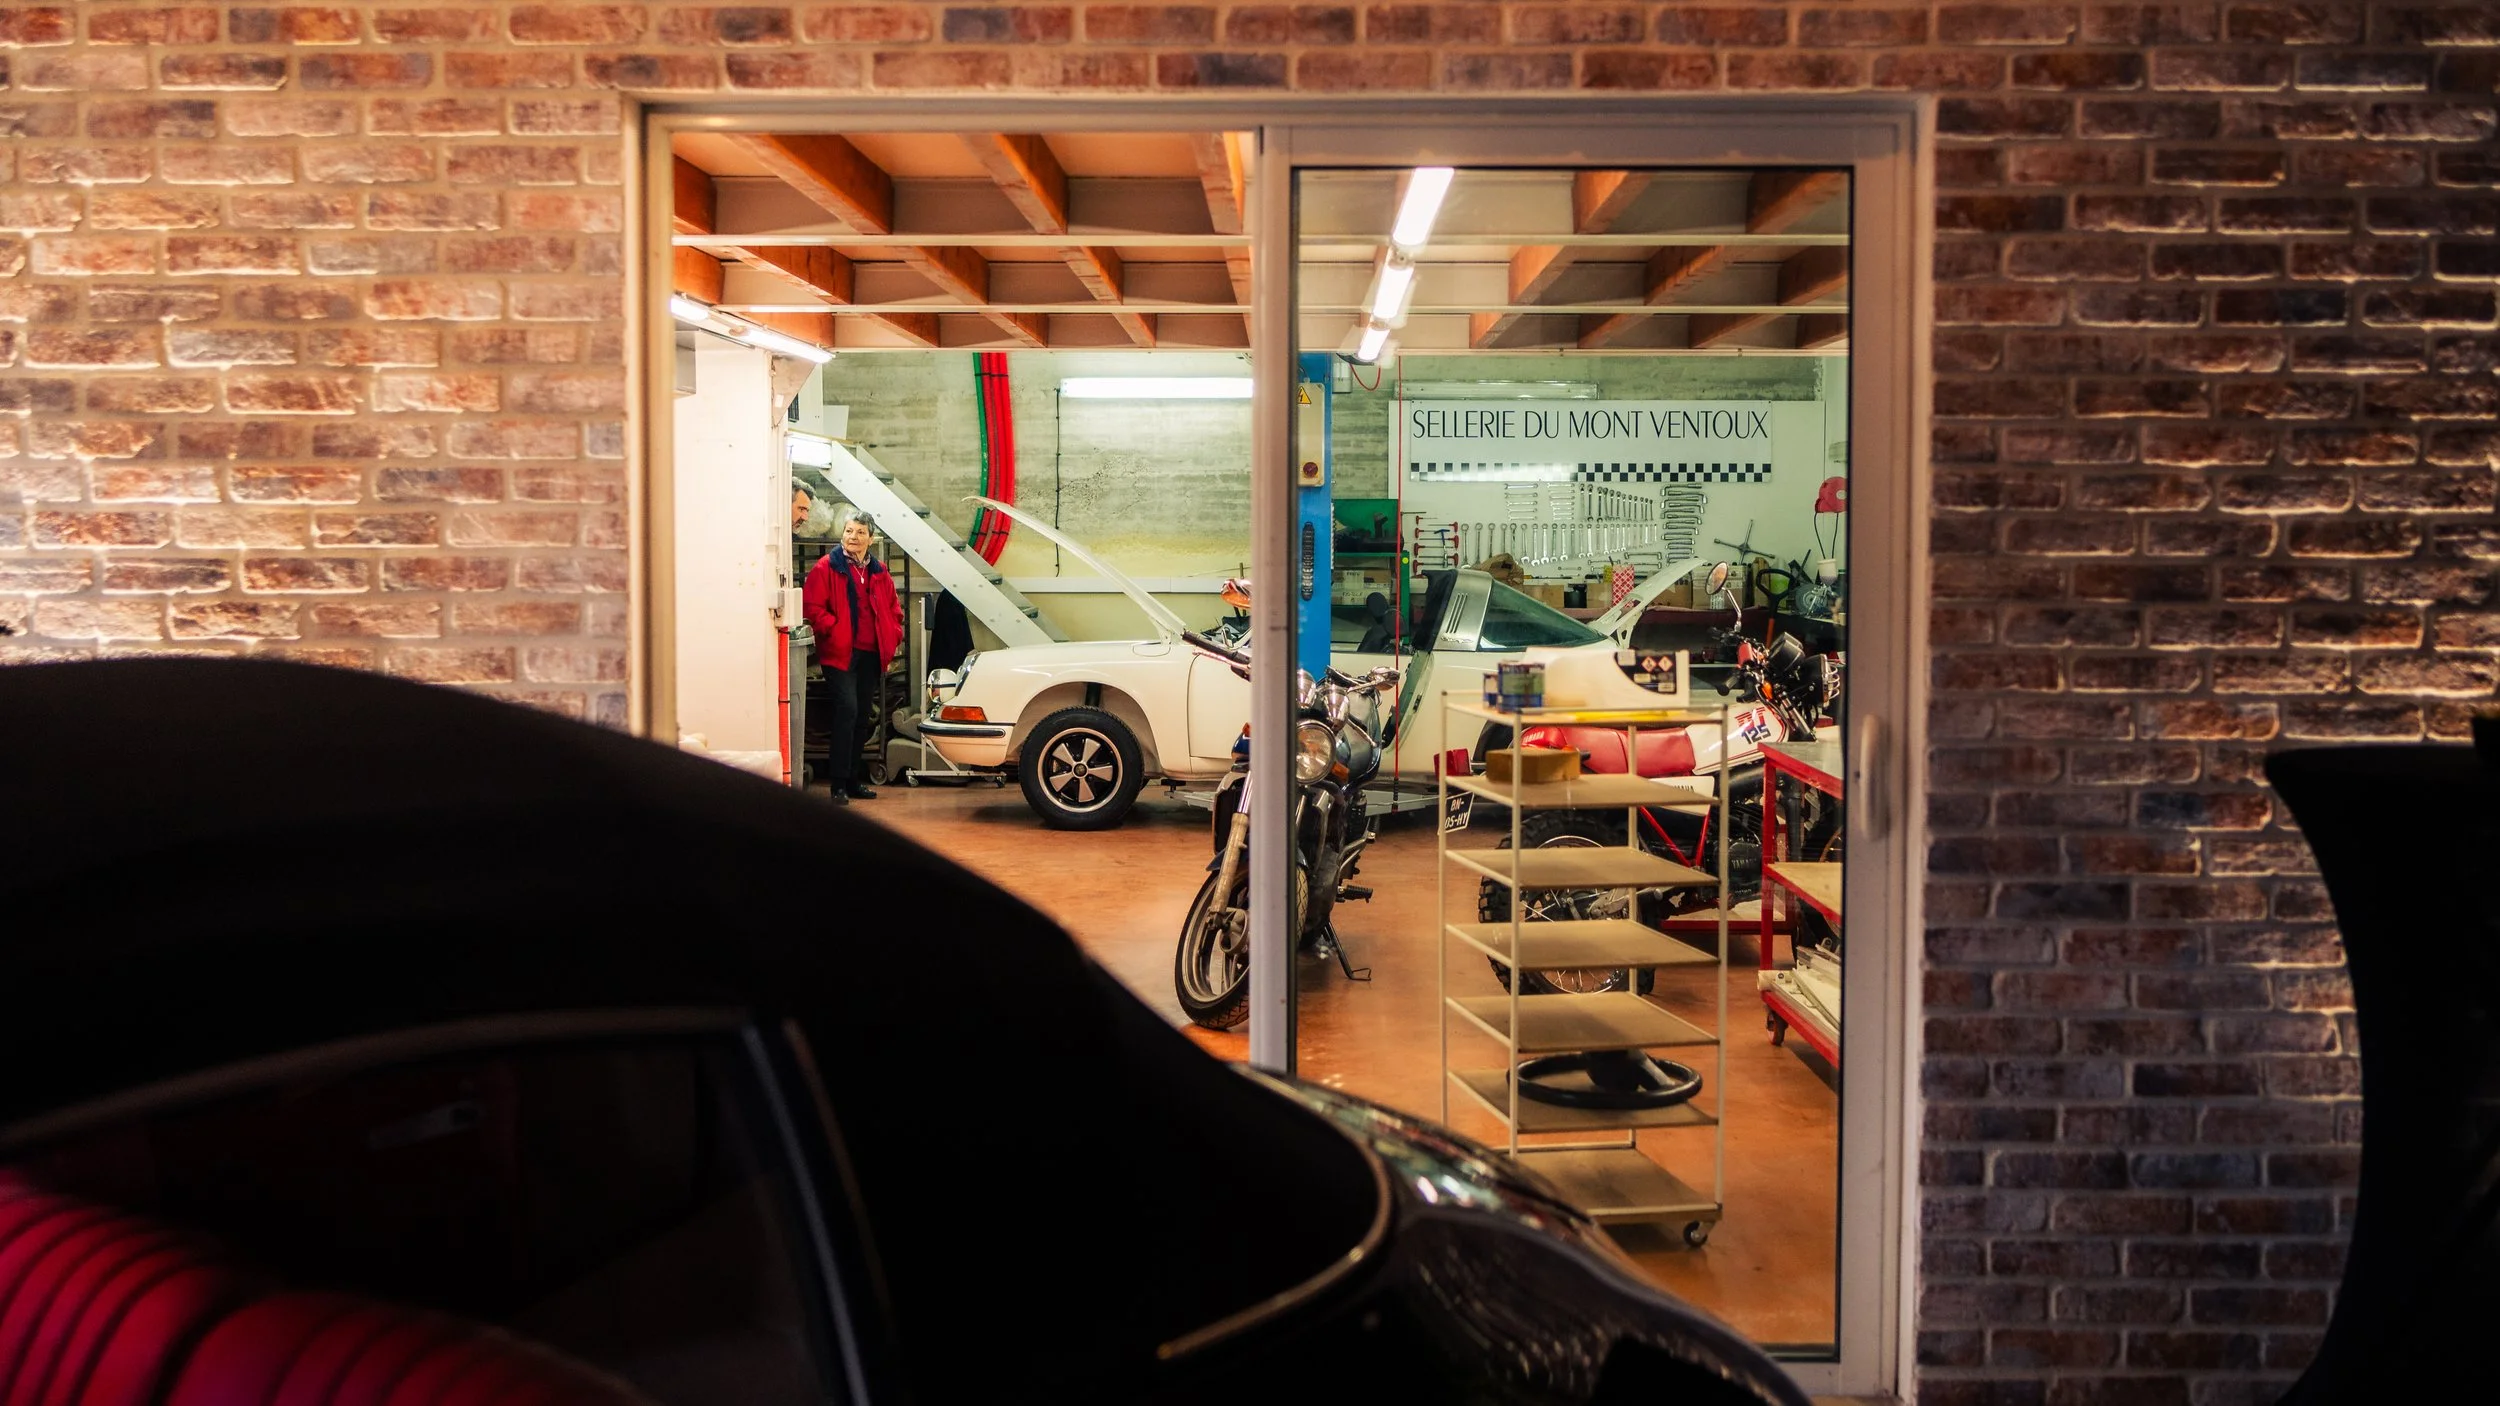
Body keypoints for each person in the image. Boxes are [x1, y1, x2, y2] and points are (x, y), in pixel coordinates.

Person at [803, 507, 904, 803]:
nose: (853, 537)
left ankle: (852, 781)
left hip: (871, 653)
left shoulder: (879, 571)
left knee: (862, 716)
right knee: (846, 711)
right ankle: (837, 784)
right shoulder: (826, 567)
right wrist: (833, 630)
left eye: (860, 532)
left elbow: (894, 609)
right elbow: (812, 607)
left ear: (871, 538)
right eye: (849, 531)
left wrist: (893, 633)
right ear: (842, 534)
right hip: (840, 654)